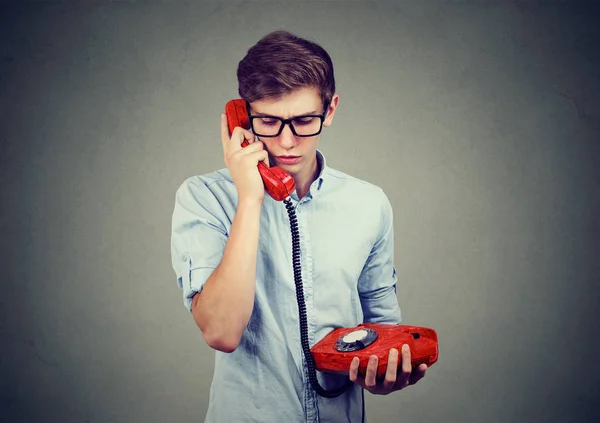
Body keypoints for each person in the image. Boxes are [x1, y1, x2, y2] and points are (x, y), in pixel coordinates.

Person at [170, 30, 427, 423]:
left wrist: (383, 373)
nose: (287, 141)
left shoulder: (368, 203)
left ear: (331, 109)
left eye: (304, 120)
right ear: (242, 116)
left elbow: (382, 331)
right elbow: (221, 331)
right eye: (268, 122)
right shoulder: (204, 198)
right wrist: (251, 198)